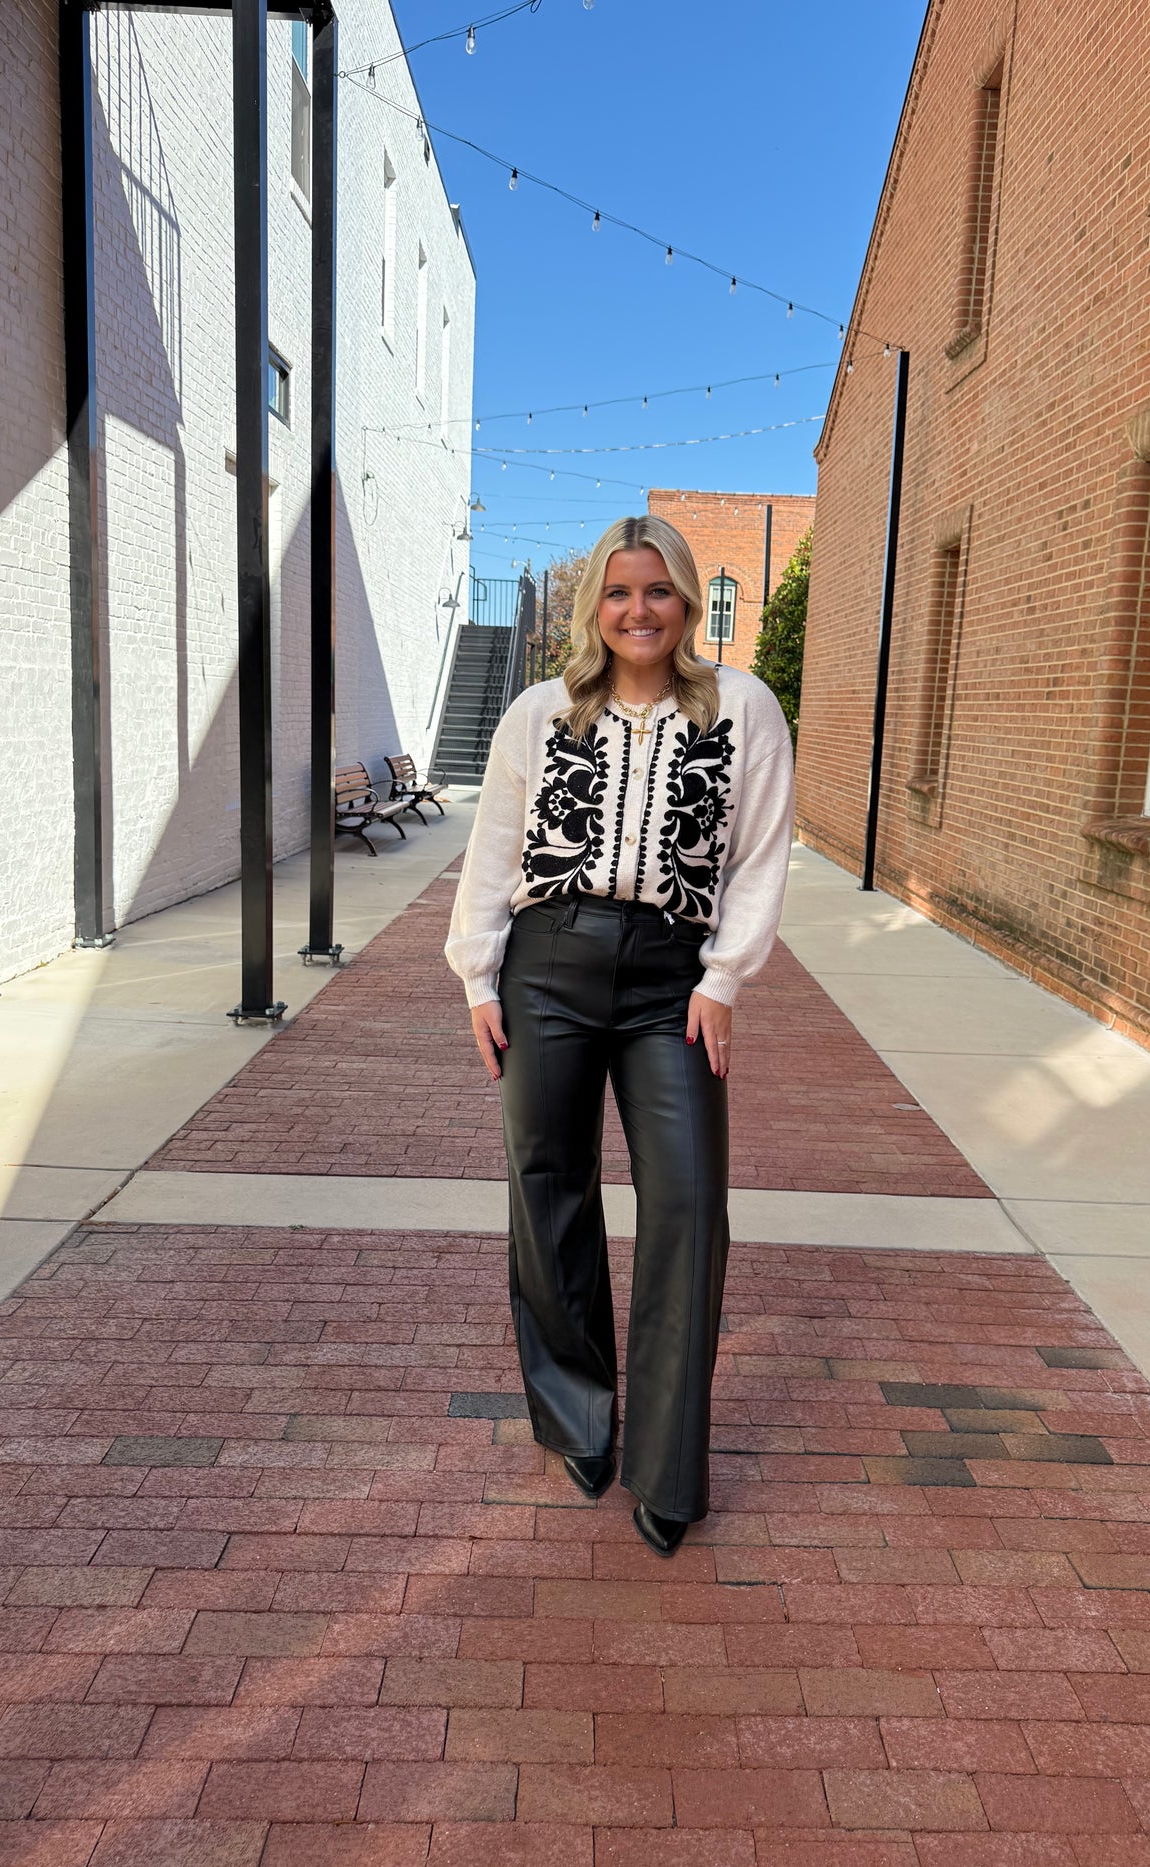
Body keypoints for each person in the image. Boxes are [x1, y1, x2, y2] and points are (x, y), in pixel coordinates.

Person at [444, 514, 795, 1556]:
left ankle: (668, 1465)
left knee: (687, 1201)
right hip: (545, 963)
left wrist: (724, 979)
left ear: (686, 600)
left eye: (658, 590)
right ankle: (578, 1417)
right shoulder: (539, 712)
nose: (639, 610)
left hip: (670, 979)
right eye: (618, 591)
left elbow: (760, 855)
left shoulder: (742, 707)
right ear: (592, 604)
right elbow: (493, 848)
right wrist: (478, 977)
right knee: (547, 1188)